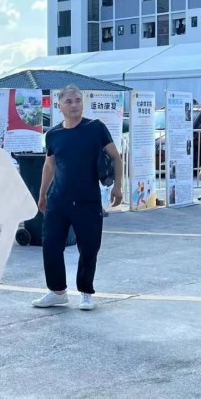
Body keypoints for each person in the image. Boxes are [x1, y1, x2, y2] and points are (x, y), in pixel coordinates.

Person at [33, 84, 123, 311]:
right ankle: (57, 291)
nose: (74, 105)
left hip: (87, 199)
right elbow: (49, 166)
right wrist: (42, 194)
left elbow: (116, 157)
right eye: (69, 101)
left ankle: (86, 292)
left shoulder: (95, 128)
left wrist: (118, 187)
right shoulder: (53, 134)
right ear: (59, 106)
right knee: (51, 246)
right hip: (58, 199)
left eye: (78, 100)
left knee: (89, 247)